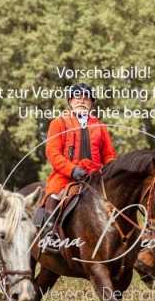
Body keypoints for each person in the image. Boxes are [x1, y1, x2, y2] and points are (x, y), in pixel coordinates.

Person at [35, 82, 117, 232]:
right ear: (70, 102)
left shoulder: (101, 127)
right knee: (54, 197)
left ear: (92, 103)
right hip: (66, 177)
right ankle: (49, 234)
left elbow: (109, 155)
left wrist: (110, 172)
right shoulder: (58, 123)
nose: (81, 101)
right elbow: (53, 153)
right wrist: (73, 170)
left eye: (86, 98)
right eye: (77, 98)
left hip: (96, 177)